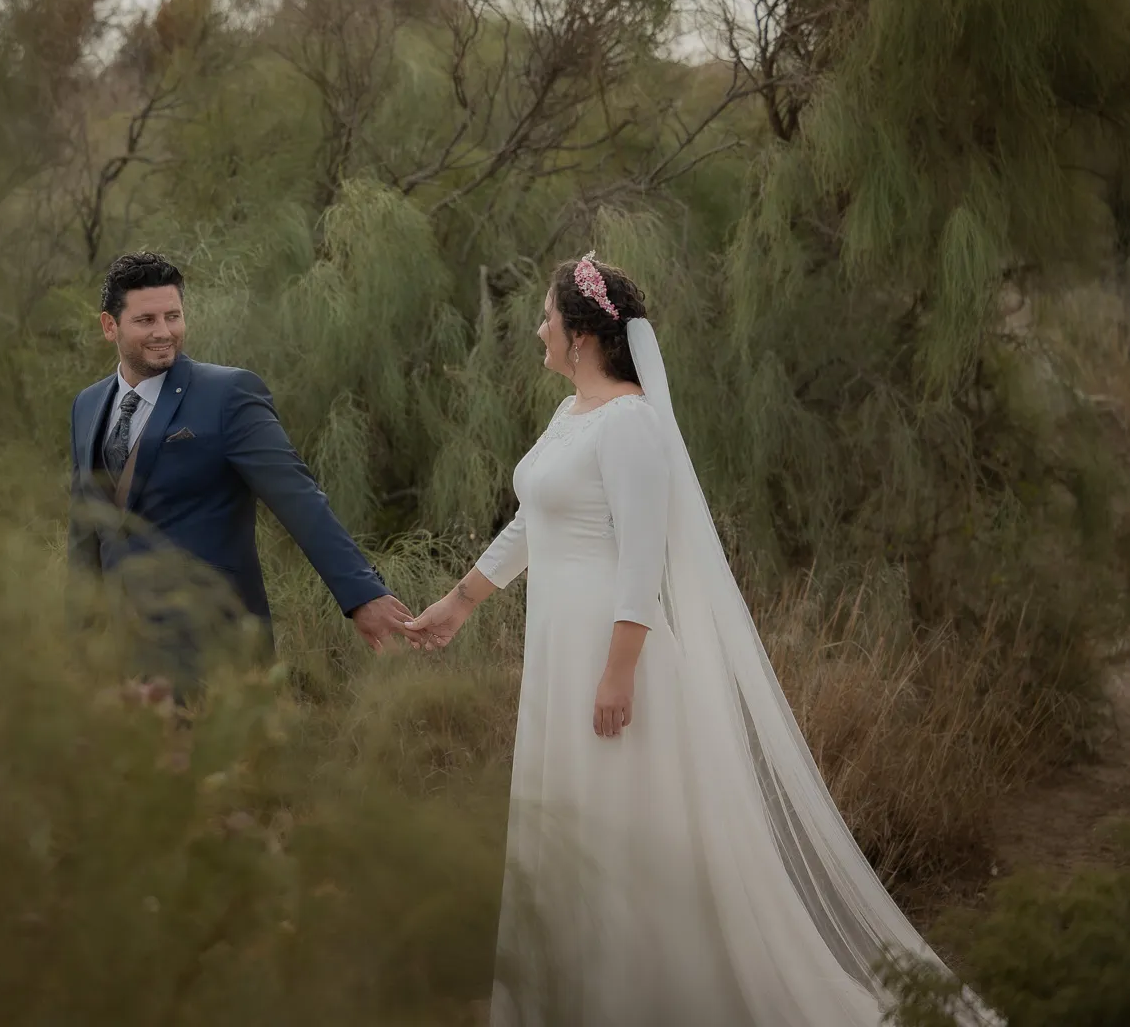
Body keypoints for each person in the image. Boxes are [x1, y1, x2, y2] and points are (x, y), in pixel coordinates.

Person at [401, 254, 996, 1026]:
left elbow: (642, 560)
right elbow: (529, 526)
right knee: (569, 831)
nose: (538, 328)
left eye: (548, 316)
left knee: (619, 834)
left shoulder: (633, 425)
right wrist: (458, 603)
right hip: (558, 650)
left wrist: (617, 675)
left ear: (581, 336)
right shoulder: (568, 417)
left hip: (613, 660)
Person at [68, 252, 411, 696]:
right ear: (109, 326)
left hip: (216, 654)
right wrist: (77, 646)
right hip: (120, 660)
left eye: (173, 316)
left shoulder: (227, 394)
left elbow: (299, 499)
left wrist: (362, 596)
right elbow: (85, 533)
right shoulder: (87, 406)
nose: (164, 332)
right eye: (146, 319)